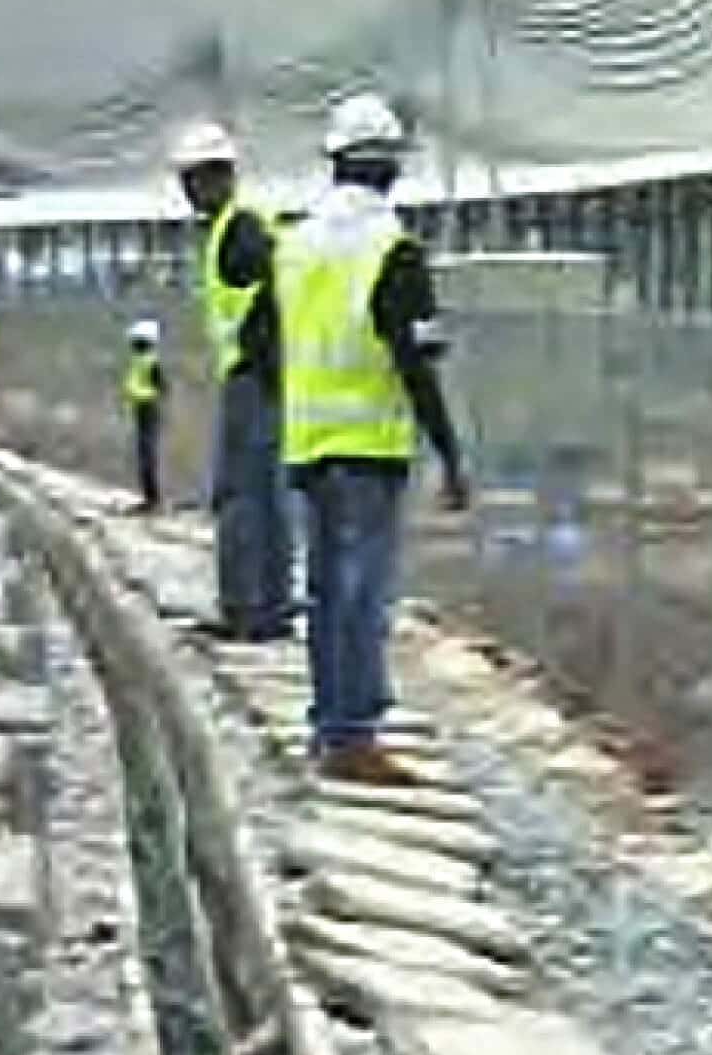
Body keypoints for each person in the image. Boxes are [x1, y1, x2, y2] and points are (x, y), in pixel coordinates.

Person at [275, 93, 470, 786]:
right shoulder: (394, 250)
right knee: (364, 592)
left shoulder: (293, 246)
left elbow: (274, 343)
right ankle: (353, 735)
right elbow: (415, 362)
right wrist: (449, 451)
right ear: (391, 169)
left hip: (306, 444)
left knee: (325, 588)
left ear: (333, 162)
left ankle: (328, 722)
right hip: (369, 446)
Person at [173, 121, 292, 642]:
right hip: (260, 379)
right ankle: (269, 606)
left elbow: (271, 307)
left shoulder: (240, 234)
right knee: (263, 495)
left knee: (242, 496)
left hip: (253, 380)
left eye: (194, 179)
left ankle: (248, 608)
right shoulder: (243, 227)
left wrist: (263, 369)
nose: (190, 191)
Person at [121, 317, 166, 513]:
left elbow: (162, 388)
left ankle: (153, 499)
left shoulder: (149, 362)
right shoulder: (142, 361)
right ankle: (150, 497)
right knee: (144, 455)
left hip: (148, 410)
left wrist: (144, 396)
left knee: (147, 455)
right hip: (142, 409)